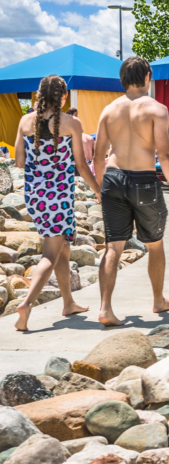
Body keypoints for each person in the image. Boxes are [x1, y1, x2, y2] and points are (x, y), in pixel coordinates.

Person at [93, 57, 169, 326]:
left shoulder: (108, 111)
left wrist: (101, 190)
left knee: (113, 247)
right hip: (143, 180)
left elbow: (98, 157)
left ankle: (105, 309)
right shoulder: (156, 109)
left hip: (113, 178)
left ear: (122, 79)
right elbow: (166, 155)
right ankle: (158, 300)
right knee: (154, 245)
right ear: (148, 77)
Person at [13, 75, 102, 331]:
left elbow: (19, 162)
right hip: (59, 195)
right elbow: (81, 165)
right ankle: (26, 304)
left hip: (35, 195)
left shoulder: (25, 121)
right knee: (50, 254)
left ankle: (69, 302)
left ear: (38, 95)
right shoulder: (71, 123)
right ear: (64, 97)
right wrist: (98, 191)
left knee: (61, 246)